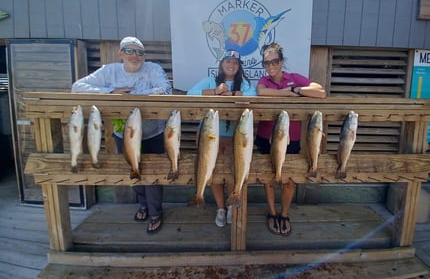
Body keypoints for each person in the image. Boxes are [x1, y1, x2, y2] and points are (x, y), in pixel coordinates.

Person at [71, 36, 172, 234]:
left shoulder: (153, 68)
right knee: (133, 171)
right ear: (121, 53)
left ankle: (155, 212)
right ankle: (142, 205)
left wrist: (132, 98)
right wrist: (111, 92)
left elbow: (165, 90)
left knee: (154, 176)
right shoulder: (109, 71)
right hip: (123, 133)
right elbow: (77, 86)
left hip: (153, 133)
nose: (135, 55)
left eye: (139, 52)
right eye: (130, 50)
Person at [256, 42, 326, 236]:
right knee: (269, 178)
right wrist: (285, 93)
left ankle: (284, 214)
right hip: (265, 137)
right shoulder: (263, 80)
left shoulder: (294, 78)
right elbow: (262, 92)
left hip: (291, 138)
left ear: (282, 61)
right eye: (266, 63)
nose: (271, 66)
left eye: (275, 61)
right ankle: (271, 213)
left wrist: (296, 90)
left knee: (289, 180)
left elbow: (320, 92)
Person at [187, 50, 256, 227]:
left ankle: (232, 203)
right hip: (210, 137)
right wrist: (215, 91)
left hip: (236, 136)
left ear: (239, 66)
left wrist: (233, 95)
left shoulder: (245, 83)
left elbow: (254, 96)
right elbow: (190, 93)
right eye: (228, 61)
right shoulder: (211, 80)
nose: (231, 65)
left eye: (235, 62)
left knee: (235, 170)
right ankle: (220, 208)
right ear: (221, 64)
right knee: (214, 172)